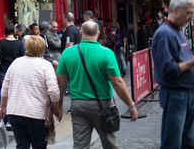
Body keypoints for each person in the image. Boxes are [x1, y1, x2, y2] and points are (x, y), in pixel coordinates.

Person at [56, 21, 138, 149]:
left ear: (81, 33)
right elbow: (117, 83)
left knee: (80, 145)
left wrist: (58, 106)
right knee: (109, 143)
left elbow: (60, 82)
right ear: (98, 33)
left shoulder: (67, 53)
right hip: (103, 104)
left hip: (78, 105)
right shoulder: (107, 53)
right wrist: (130, 104)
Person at [0, 35, 62, 148]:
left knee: (21, 145)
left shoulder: (15, 63)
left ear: (26, 48)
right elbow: (53, 90)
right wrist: (56, 107)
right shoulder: (45, 65)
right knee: (39, 145)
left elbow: (5, 89)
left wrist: (2, 108)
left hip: (15, 112)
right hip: (37, 114)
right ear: (42, 49)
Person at [152, 0, 194, 149]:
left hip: (185, 94)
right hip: (176, 94)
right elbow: (168, 70)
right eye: (188, 13)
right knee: (173, 142)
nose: (191, 17)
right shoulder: (165, 34)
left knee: (188, 140)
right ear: (176, 9)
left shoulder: (177, 31)